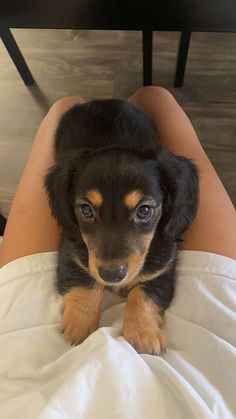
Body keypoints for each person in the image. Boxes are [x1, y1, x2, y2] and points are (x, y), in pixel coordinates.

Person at [0, 87, 235, 418]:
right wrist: (85, 297)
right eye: (86, 210)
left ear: (166, 205)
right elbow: (71, 246)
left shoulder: (161, 229)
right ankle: (136, 97)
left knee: (67, 107)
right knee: (152, 97)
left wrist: (143, 307)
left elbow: (161, 272)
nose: (110, 260)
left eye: (142, 212)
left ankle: (113, 101)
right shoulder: (71, 195)